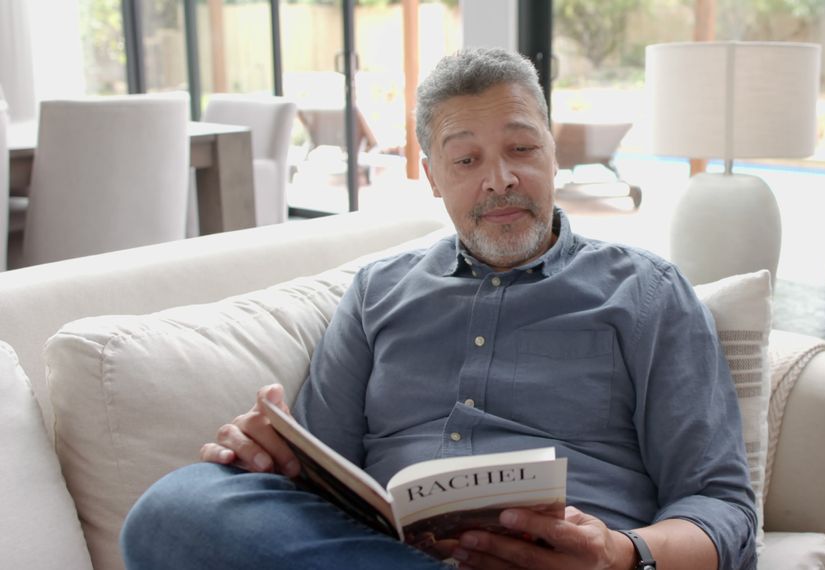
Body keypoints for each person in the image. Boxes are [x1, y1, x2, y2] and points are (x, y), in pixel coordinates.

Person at [121, 47, 757, 570]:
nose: (500, 178)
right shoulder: (377, 291)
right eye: (467, 159)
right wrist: (268, 458)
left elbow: (724, 509)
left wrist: (623, 554)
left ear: (553, 154)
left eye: (522, 149)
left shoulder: (646, 293)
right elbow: (319, 478)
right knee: (177, 505)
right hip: (375, 553)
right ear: (431, 175)